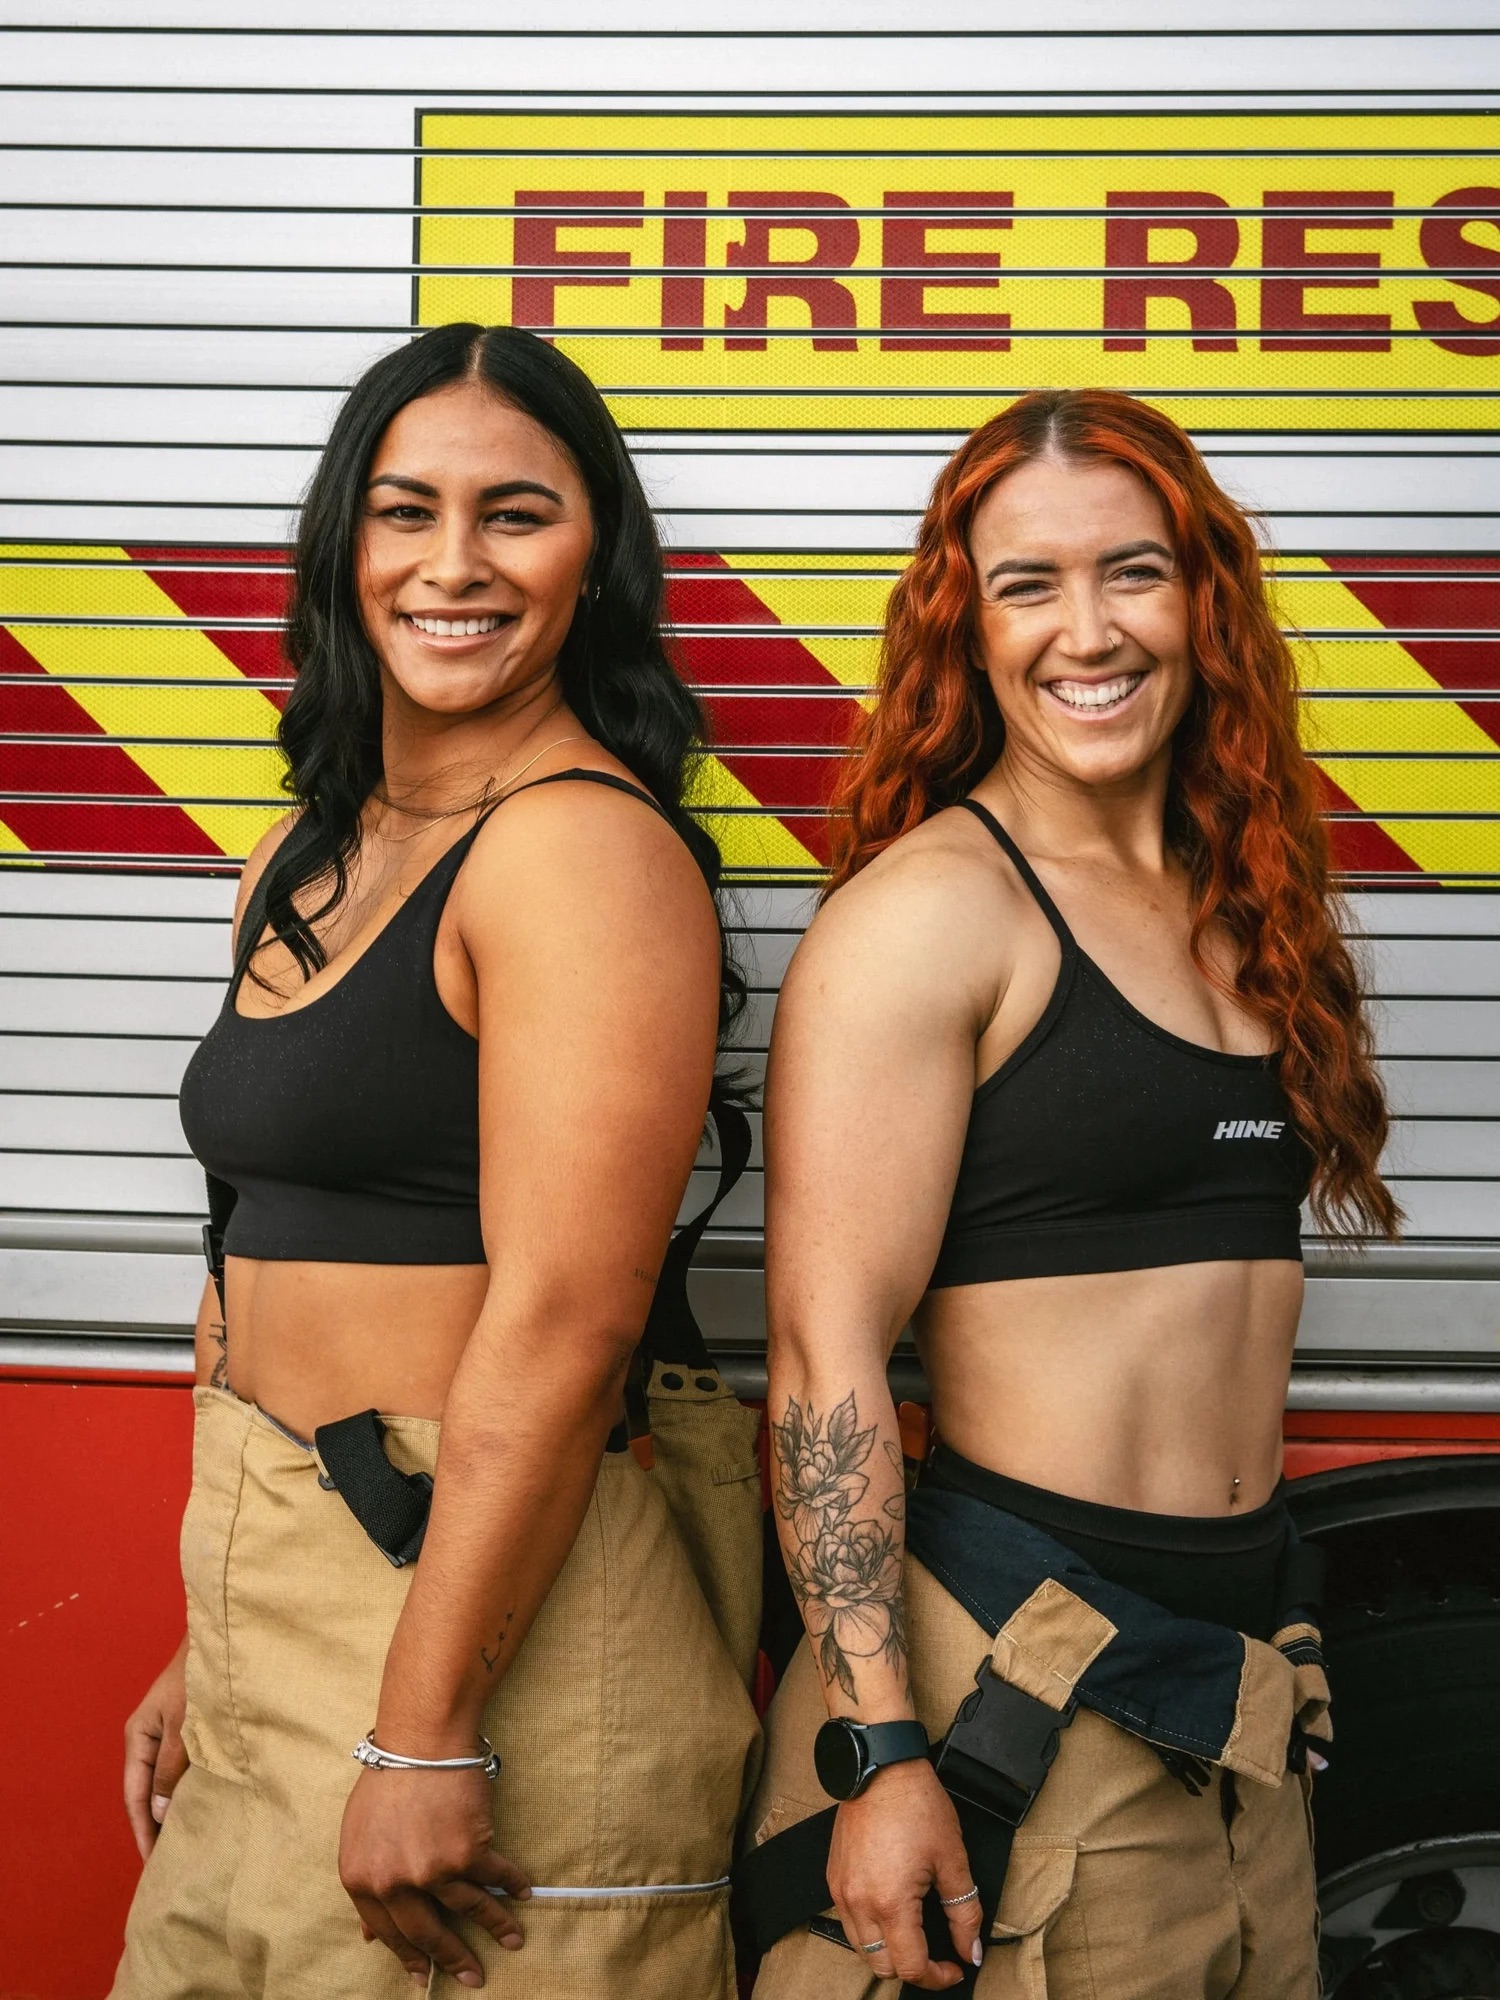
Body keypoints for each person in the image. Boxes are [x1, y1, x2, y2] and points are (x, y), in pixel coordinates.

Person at [112, 322, 762, 1999]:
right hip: (283, 1589)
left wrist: (421, 1730)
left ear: (595, 557)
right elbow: (256, 1246)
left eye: (515, 514)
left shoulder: (580, 850)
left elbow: (567, 1322)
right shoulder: (304, 851)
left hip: (481, 1635)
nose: (452, 564)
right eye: (406, 512)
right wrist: (217, 1636)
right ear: (345, 545)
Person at [740, 389, 1397, 1998]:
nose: (1086, 632)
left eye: (1133, 572)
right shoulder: (934, 917)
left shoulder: (1247, 901)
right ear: (967, 629)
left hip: (1230, 1703)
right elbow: (825, 1359)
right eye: (1027, 585)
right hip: (1017, 1705)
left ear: (1204, 601)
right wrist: (878, 1750)